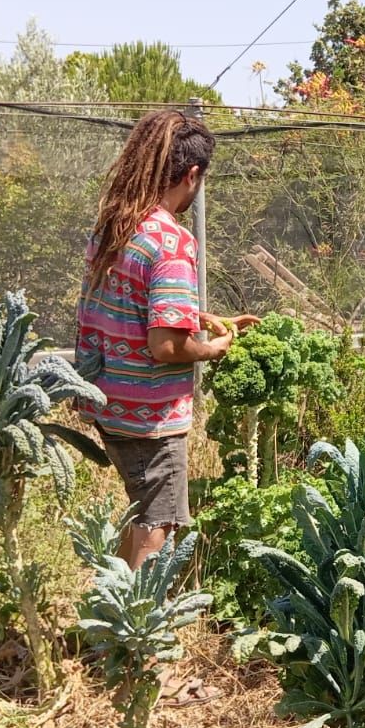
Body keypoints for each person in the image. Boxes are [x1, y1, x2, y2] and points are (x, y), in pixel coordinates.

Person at [76, 108, 258, 569]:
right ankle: (133, 636)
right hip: (149, 417)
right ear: (192, 174)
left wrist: (193, 315)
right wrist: (212, 349)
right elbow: (168, 347)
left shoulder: (116, 225)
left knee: (142, 517)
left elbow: (126, 301)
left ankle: (106, 616)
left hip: (107, 401)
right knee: (158, 526)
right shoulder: (171, 240)